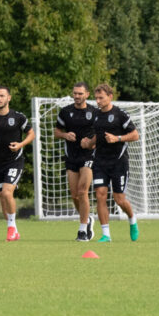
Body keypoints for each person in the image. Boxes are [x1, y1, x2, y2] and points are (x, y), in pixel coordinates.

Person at [0, 86, 35, 241]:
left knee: (7, 192)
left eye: (2, 96)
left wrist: (21, 144)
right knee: (2, 197)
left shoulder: (18, 117)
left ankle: (11, 228)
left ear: (8, 98)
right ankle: (13, 229)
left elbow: (31, 133)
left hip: (14, 161)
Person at [91, 83, 139, 242]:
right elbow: (98, 136)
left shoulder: (120, 115)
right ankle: (106, 234)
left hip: (119, 163)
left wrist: (117, 138)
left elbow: (135, 135)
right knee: (100, 195)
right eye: (96, 98)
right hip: (99, 162)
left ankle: (132, 219)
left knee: (119, 199)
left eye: (101, 98)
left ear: (110, 97)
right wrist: (88, 143)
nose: (98, 101)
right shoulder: (96, 115)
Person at [53, 82, 97, 241]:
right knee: (75, 195)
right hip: (71, 156)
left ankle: (82, 229)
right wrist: (65, 135)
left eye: (80, 93)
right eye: (75, 93)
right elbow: (56, 132)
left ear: (87, 94)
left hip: (88, 156)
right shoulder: (65, 112)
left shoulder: (94, 112)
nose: (77, 96)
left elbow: (102, 133)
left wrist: (91, 142)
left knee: (82, 190)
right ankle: (88, 219)